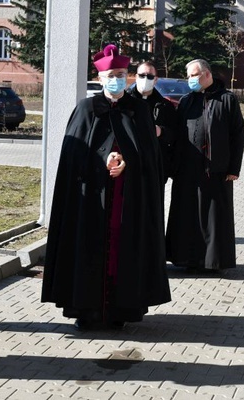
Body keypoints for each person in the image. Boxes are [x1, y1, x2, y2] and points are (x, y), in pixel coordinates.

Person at [41, 44, 171, 330]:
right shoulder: (87, 109)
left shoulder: (138, 109)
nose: (117, 78)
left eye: (122, 74)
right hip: (90, 200)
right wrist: (104, 158)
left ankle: (120, 310)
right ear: (100, 78)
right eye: (111, 74)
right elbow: (74, 156)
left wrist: (128, 161)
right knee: (88, 249)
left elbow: (150, 154)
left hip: (128, 199)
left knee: (123, 252)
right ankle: (85, 310)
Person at [166, 58, 244, 273]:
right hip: (187, 172)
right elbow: (177, 136)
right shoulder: (186, 101)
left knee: (213, 219)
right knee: (188, 217)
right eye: (189, 76)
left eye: (194, 75)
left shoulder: (227, 100)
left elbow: (237, 136)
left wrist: (233, 169)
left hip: (216, 172)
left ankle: (214, 262)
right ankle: (188, 259)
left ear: (207, 74)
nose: (190, 80)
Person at [127, 61, 177, 180]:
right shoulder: (125, 102)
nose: (145, 79)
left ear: (155, 80)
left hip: (156, 165)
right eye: (142, 75)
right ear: (136, 77)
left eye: (149, 76)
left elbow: (175, 134)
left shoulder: (165, 105)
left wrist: (161, 131)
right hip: (130, 163)